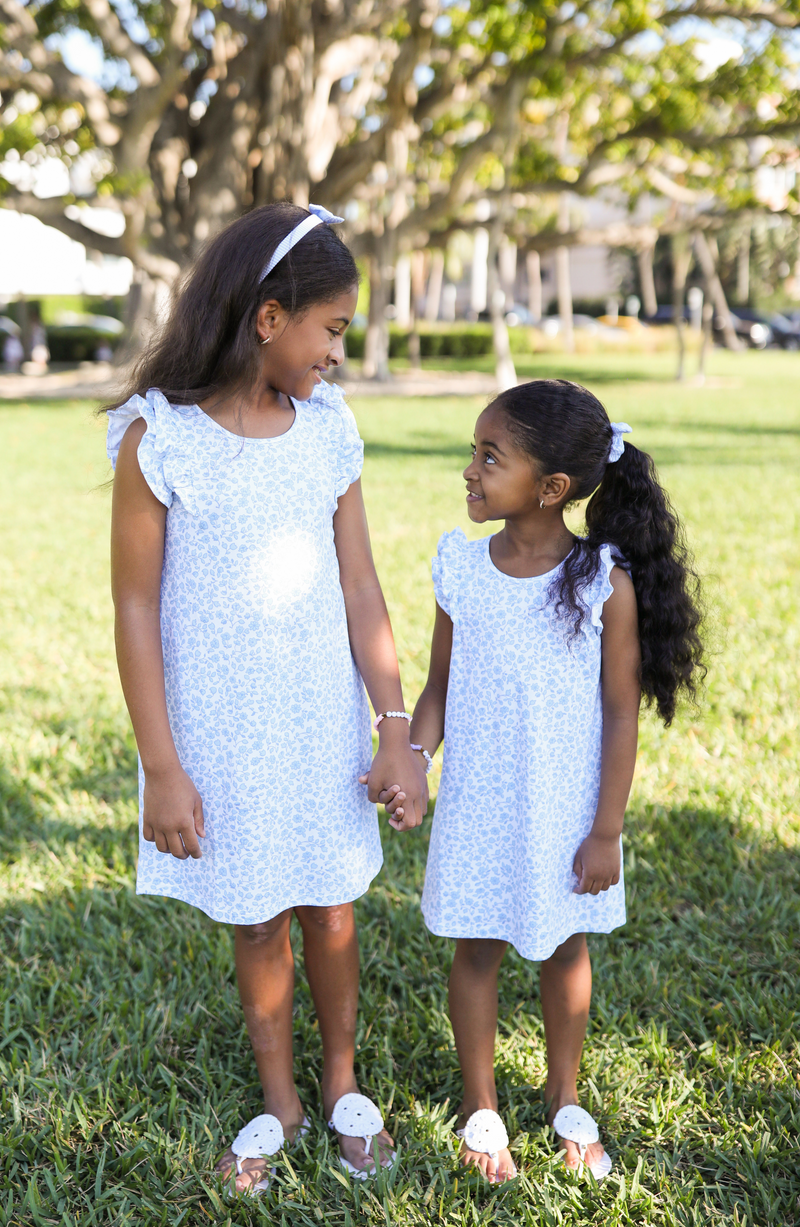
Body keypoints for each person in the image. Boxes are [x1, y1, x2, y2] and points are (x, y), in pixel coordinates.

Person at [106, 203, 428, 1195]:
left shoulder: (328, 434)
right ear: (266, 318)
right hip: (219, 736)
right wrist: (161, 766)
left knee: (331, 913)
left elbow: (362, 585)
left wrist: (394, 730)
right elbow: (133, 604)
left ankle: (340, 1087)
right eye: (329, 330)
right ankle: (279, 1099)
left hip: (318, 724)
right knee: (255, 920)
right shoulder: (160, 437)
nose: (336, 353)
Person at [403, 379, 704, 1184]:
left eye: (489, 457)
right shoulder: (461, 568)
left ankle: (563, 1092)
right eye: (473, 451)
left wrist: (606, 828)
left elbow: (620, 713)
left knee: (566, 947)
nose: (470, 469)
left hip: (567, 812)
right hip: (479, 807)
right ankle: (479, 1101)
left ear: (551, 488)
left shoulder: (603, 580)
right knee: (477, 948)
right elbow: (438, 689)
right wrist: (414, 758)